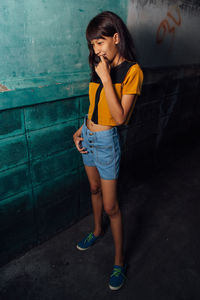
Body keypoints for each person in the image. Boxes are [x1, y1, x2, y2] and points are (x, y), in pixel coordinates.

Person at [73, 11, 143, 290]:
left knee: (112, 205)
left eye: (100, 43)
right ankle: (97, 230)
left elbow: (120, 117)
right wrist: (81, 128)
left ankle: (119, 260)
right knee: (93, 189)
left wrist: (105, 78)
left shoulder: (132, 71)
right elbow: (96, 106)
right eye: (92, 45)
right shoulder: (99, 67)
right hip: (88, 136)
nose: (96, 50)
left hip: (106, 142)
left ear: (116, 38)